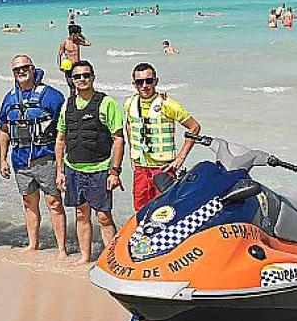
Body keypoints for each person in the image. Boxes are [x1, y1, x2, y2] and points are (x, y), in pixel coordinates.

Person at [0, 55, 68, 258]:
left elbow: (63, 131)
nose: (21, 72)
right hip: (20, 160)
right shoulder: (10, 98)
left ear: (33, 68)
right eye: (16, 69)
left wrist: (62, 166)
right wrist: (2, 159)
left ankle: (62, 249)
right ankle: (33, 244)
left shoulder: (52, 96)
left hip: (46, 158)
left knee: (54, 203)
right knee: (29, 203)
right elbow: (4, 129)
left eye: (25, 67)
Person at [55, 61, 124, 264]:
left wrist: (115, 172)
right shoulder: (67, 105)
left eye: (86, 75)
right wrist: (60, 172)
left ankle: (112, 259)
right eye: (77, 76)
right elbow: (60, 139)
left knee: (103, 216)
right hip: (73, 169)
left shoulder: (107, 103)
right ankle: (85, 257)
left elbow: (118, 139)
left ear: (93, 77)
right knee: (81, 214)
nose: (82, 79)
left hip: (100, 169)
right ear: (72, 80)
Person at [125, 63, 201, 211]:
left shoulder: (167, 104)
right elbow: (129, 124)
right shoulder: (130, 103)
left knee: (165, 212)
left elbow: (194, 127)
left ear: (156, 81)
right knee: (140, 211)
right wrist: (131, 155)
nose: (145, 86)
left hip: (163, 169)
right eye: (140, 82)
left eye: (149, 81)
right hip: (141, 169)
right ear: (134, 84)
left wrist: (180, 158)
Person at [57, 24, 91, 95]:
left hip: (78, 67)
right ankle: (72, 99)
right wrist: (60, 66)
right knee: (72, 87)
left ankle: (80, 98)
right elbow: (59, 55)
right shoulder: (64, 43)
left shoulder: (77, 41)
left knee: (80, 85)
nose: (78, 36)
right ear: (73, 34)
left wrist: (82, 36)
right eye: (78, 34)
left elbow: (88, 43)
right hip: (69, 67)